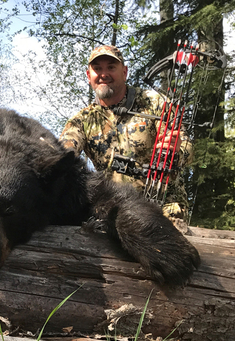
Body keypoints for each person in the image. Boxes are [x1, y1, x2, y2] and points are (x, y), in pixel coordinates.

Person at [59, 45, 192, 220]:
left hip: (163, 210)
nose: (104, 74)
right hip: (115, 213)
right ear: (88, 76)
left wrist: (176, 150)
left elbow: (188, 151)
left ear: (124, 72)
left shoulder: (155, 104)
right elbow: (62, 153)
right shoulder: (83, 120)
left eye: (111, 67)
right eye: (97, 69)